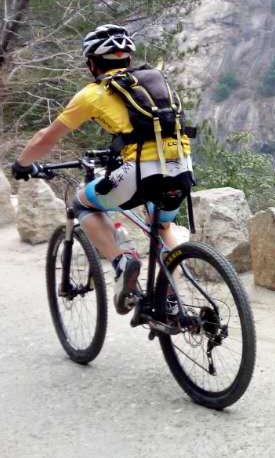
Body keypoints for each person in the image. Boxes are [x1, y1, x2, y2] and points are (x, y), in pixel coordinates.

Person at [10, 24, 192, 315]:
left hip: (139, 173)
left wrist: (22, 164)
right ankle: (170, 298)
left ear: (92, 64)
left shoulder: (93, 94)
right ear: (128, 61)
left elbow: (46, 137)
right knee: (163, 226)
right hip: (182, 168)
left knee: (83, 203)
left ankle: (122, 261)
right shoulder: (155, 83)